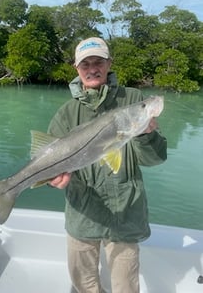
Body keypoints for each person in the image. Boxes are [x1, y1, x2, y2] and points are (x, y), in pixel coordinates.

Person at [47, 37, 167, 293]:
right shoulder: (66, 113)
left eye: (98, 62)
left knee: (125, 287)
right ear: (76, 69)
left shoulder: (132, 98)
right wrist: (52, 178)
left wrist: (146, 135)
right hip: (83, 213)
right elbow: (49, 161)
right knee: (83, 284)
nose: (92, 69)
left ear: (109, 63)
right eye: (85, 64)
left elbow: (153, 160)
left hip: (125, 214)